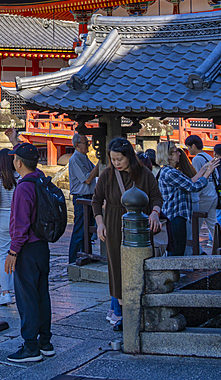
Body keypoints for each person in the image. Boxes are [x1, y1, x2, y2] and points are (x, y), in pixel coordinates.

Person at [92, 137, 163, 331]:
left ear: (129, 157)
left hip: (139, 227)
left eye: (119, 160)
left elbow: (156, 197)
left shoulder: (144, 174)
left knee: (139, 265)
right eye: (113, 159)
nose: (116, 163)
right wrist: (100, 223)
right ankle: (124, 312)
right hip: (114, 226)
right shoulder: (107, 175)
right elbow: (96, 200)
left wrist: (155, 213)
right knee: (117, 268)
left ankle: (141, 307)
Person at [4, 142, 53, 362]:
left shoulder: (24, 187)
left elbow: (21, 224)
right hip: (42, 246)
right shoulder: (40, 178)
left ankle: (31, 346)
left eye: (15, 158)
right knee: (42, 294)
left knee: (27, 297)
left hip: (27, 248)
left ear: (19, 162)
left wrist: (13, 252)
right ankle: (45, 341)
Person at [158, 143, 218, 258]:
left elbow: (189, 181)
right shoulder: (170, 173)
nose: (179, 153)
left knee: (178, 248)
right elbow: (193, 187)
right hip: (175, 216)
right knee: (176, 252)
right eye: (176, 152)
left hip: (176, 215)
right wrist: (208, 173)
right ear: (169, 156)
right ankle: (174, 274)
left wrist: (203, 169)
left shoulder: (170, 171)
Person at [0, 149, 18, 306]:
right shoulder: (19, 176)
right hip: (18, 217)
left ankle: (5, 292)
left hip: (3, 217)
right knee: (19, 252)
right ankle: (19, 290)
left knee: (1, 255)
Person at [67, 132, 98, 265]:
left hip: (89, 197)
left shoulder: (84, 157)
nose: (88, 146)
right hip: (81, 198)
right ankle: (73, 260)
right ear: (77, 145)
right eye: (86, 143)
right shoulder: (75, 159)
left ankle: (86, 255)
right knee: (80, 230)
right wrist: (100, 164)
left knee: (88, 230)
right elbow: (87, 179)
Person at [186, 135, 219, 250]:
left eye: (189, 147)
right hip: (213, 193)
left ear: (194, 146)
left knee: (195, 226)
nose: (188, 150)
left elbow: (196, 178)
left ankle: (196, 250)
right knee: (212, 223)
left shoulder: (197, 159)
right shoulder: (208, 156)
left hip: (203, 196)